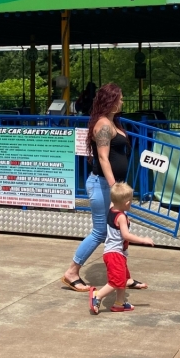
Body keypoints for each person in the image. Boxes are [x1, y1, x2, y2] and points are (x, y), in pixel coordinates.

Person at [62, 83, 147, 292]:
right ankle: (72, 272)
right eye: (119, 98)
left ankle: (123, 277)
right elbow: (103, 157)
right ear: (110, 100)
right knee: (101, 232)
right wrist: (114, 188)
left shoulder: (113, 122)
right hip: (103, 185)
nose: (122, 101)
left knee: (118, 232)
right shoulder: (103, 125)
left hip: (109, 186)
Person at [89, 182, 154, 314]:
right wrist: (143, 240)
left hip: (115, 253)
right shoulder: (121, 217)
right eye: (130, 201)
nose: (131, 204)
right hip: (114, 254)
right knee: (115, 281)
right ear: (126, 203)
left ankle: (119, 303)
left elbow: (114, 200)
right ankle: (98, 295)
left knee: (122, 278)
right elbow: (126, 235)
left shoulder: (112, 209)